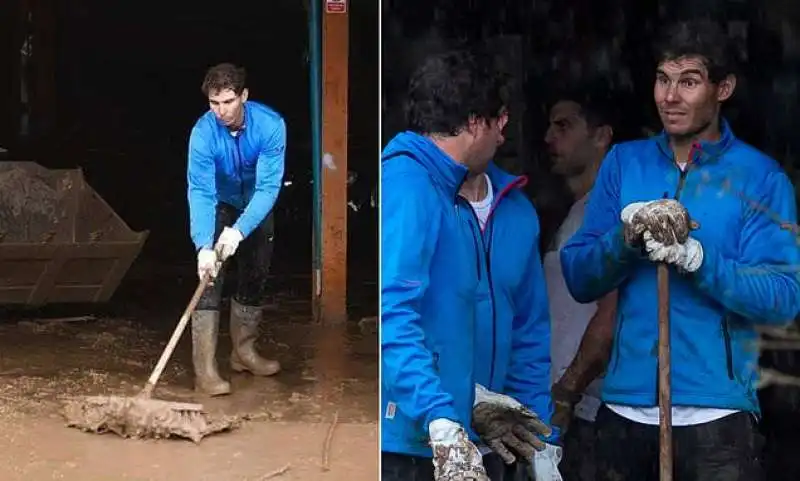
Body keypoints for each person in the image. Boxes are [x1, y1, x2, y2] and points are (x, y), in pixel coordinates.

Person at [560, 19, 800, 481]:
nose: (669, 97)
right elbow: (579, 276)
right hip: (625, 412)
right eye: (662, 79)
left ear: (723, 88)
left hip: (718, 421)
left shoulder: (760, 177)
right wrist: (625, 240)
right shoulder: (624, 163)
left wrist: (700, 260)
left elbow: (782, 297)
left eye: (688, 82)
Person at [381, 48, 552, 481]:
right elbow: (392, 313)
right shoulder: (407, 188)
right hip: (413, 445)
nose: (503, 135)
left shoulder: (517, 211)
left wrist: (545, 439)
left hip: (487, 441)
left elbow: (530, 331)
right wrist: (439, 416)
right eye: (501, 122)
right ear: (477, 123)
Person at [187, 62, 286, 396]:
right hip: (218, 203)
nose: (221, 111)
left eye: (228, 102)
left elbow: (269, 188)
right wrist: (204, 243)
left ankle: (243, 352)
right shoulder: (202, 134)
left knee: (256, 272)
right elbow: (199, 190)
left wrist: (239, 230)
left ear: (244, 96)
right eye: (214, 103)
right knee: (210, 278)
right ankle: (205, 370)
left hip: (255, 205)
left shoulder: (271, 126)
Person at [542, 91, 617, 481]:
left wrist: (568, 390)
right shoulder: (579, 210)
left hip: (588, 410)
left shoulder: (609, 214)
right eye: (550, 126)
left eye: (564, 126)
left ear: (602, 135)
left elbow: (612, 313)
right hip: (568, 407)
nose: (549, 137)